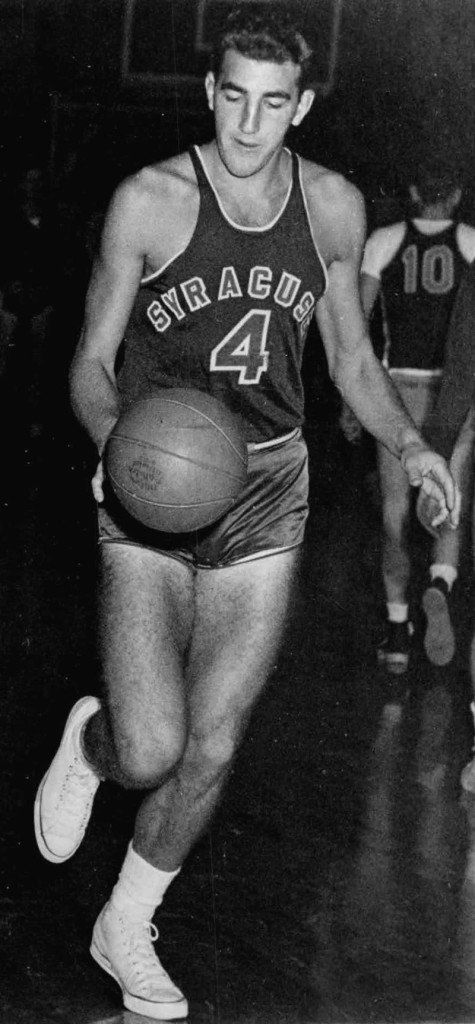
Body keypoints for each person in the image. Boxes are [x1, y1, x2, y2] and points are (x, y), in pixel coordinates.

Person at [33, 5, 459, 1019]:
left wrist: (410, 443)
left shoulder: (336, 208)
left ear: (301, 105)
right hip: (153, 481)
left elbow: (350, 357)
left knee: (213, 744)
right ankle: (91, 747)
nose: (249, 124)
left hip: (267, 481)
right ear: (210, 92)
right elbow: (90, 361)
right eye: (234, 98)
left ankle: (127, 918)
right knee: (150, 750)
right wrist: (113, 450)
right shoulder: (150, 199)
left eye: (274, 105)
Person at [341, 171, 475, 674]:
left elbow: (355, 329)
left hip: (395, 389)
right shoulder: (471, 243)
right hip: (456, 393)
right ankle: (439, 584)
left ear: (413, 191)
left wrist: (353, 403)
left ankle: (397, 631)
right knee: (448, 502)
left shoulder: (384, 241)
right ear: (458, 194)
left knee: (395, 513)